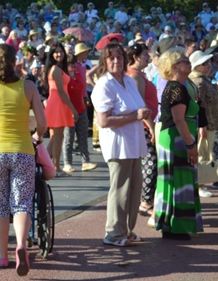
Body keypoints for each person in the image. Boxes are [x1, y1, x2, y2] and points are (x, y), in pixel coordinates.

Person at [0, 44, 47, 275]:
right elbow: (42, 124)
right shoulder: (28, 86)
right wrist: (37, 136)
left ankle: (3, 255)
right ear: (15, 62)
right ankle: (21, 246)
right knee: (22, 203)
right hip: (23, 150)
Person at [90, 42, 151, 247]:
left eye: (119, 57)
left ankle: (127, 230)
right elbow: (103, 121)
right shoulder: (104, 84)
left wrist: (144, 116)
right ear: (104, 61)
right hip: (118, 145)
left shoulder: (128, 80)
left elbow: (138, 107)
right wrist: (135, 116)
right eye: (111, 57)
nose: (116, 61)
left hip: (134, 142)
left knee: (134, 189)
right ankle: (114, 233)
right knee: (120, 190)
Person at [153, 47, 203, 240]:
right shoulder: (177, 88)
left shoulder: (177, 86)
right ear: (174, 67)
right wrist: (191, 145)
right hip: (177, 138)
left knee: (173, 180)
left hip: (175, 136)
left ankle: (171, 225)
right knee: (179, 181)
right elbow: (179, 119)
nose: (189, 63)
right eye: (185, 61)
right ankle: (177, 226)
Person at [125, 43, 159, 218]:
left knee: (150, 162)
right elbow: (140, 104)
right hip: (144, 126)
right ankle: (145, 202)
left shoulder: (139, 75)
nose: (148, 57)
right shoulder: (135, 76)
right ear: (136, 57)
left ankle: (147, 199)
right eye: (145, 54)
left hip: (146, 124)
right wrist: (151, 126)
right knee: (151, 162)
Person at [188, 50, 218, 198]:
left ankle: (199, 184)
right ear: (196, 66)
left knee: (204, 153)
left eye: (208, 62)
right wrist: (202, 126)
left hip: (209, 123)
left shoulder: (203, 79)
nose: (208, 65)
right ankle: (198, 185)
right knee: (202, 154)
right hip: (204, 125)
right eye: (204, 63)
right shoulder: (198, 81)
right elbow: (197, 105)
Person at [43, 42, 78, 174]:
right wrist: (72, 109)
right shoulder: (56, 70)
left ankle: (45, 165)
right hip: (58, 103)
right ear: (52, 54)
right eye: (56, 52)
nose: (59, 54)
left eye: (61, 51)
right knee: (58, 137)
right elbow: (61, 91)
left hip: (57, 103)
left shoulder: (56, 69)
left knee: (55, 138)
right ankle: (56, 167)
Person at [63, 42, 97, 173]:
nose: (73, 65)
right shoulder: (64, 78)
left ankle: (85, 161)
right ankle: (67, 163)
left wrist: (85, 99)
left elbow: (82, 89)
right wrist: (70, 110)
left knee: (82, 137)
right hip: (69, 110)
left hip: (81, 108)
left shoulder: (78, 75)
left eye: (74, 63)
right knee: (68, 139)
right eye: (70, 63)